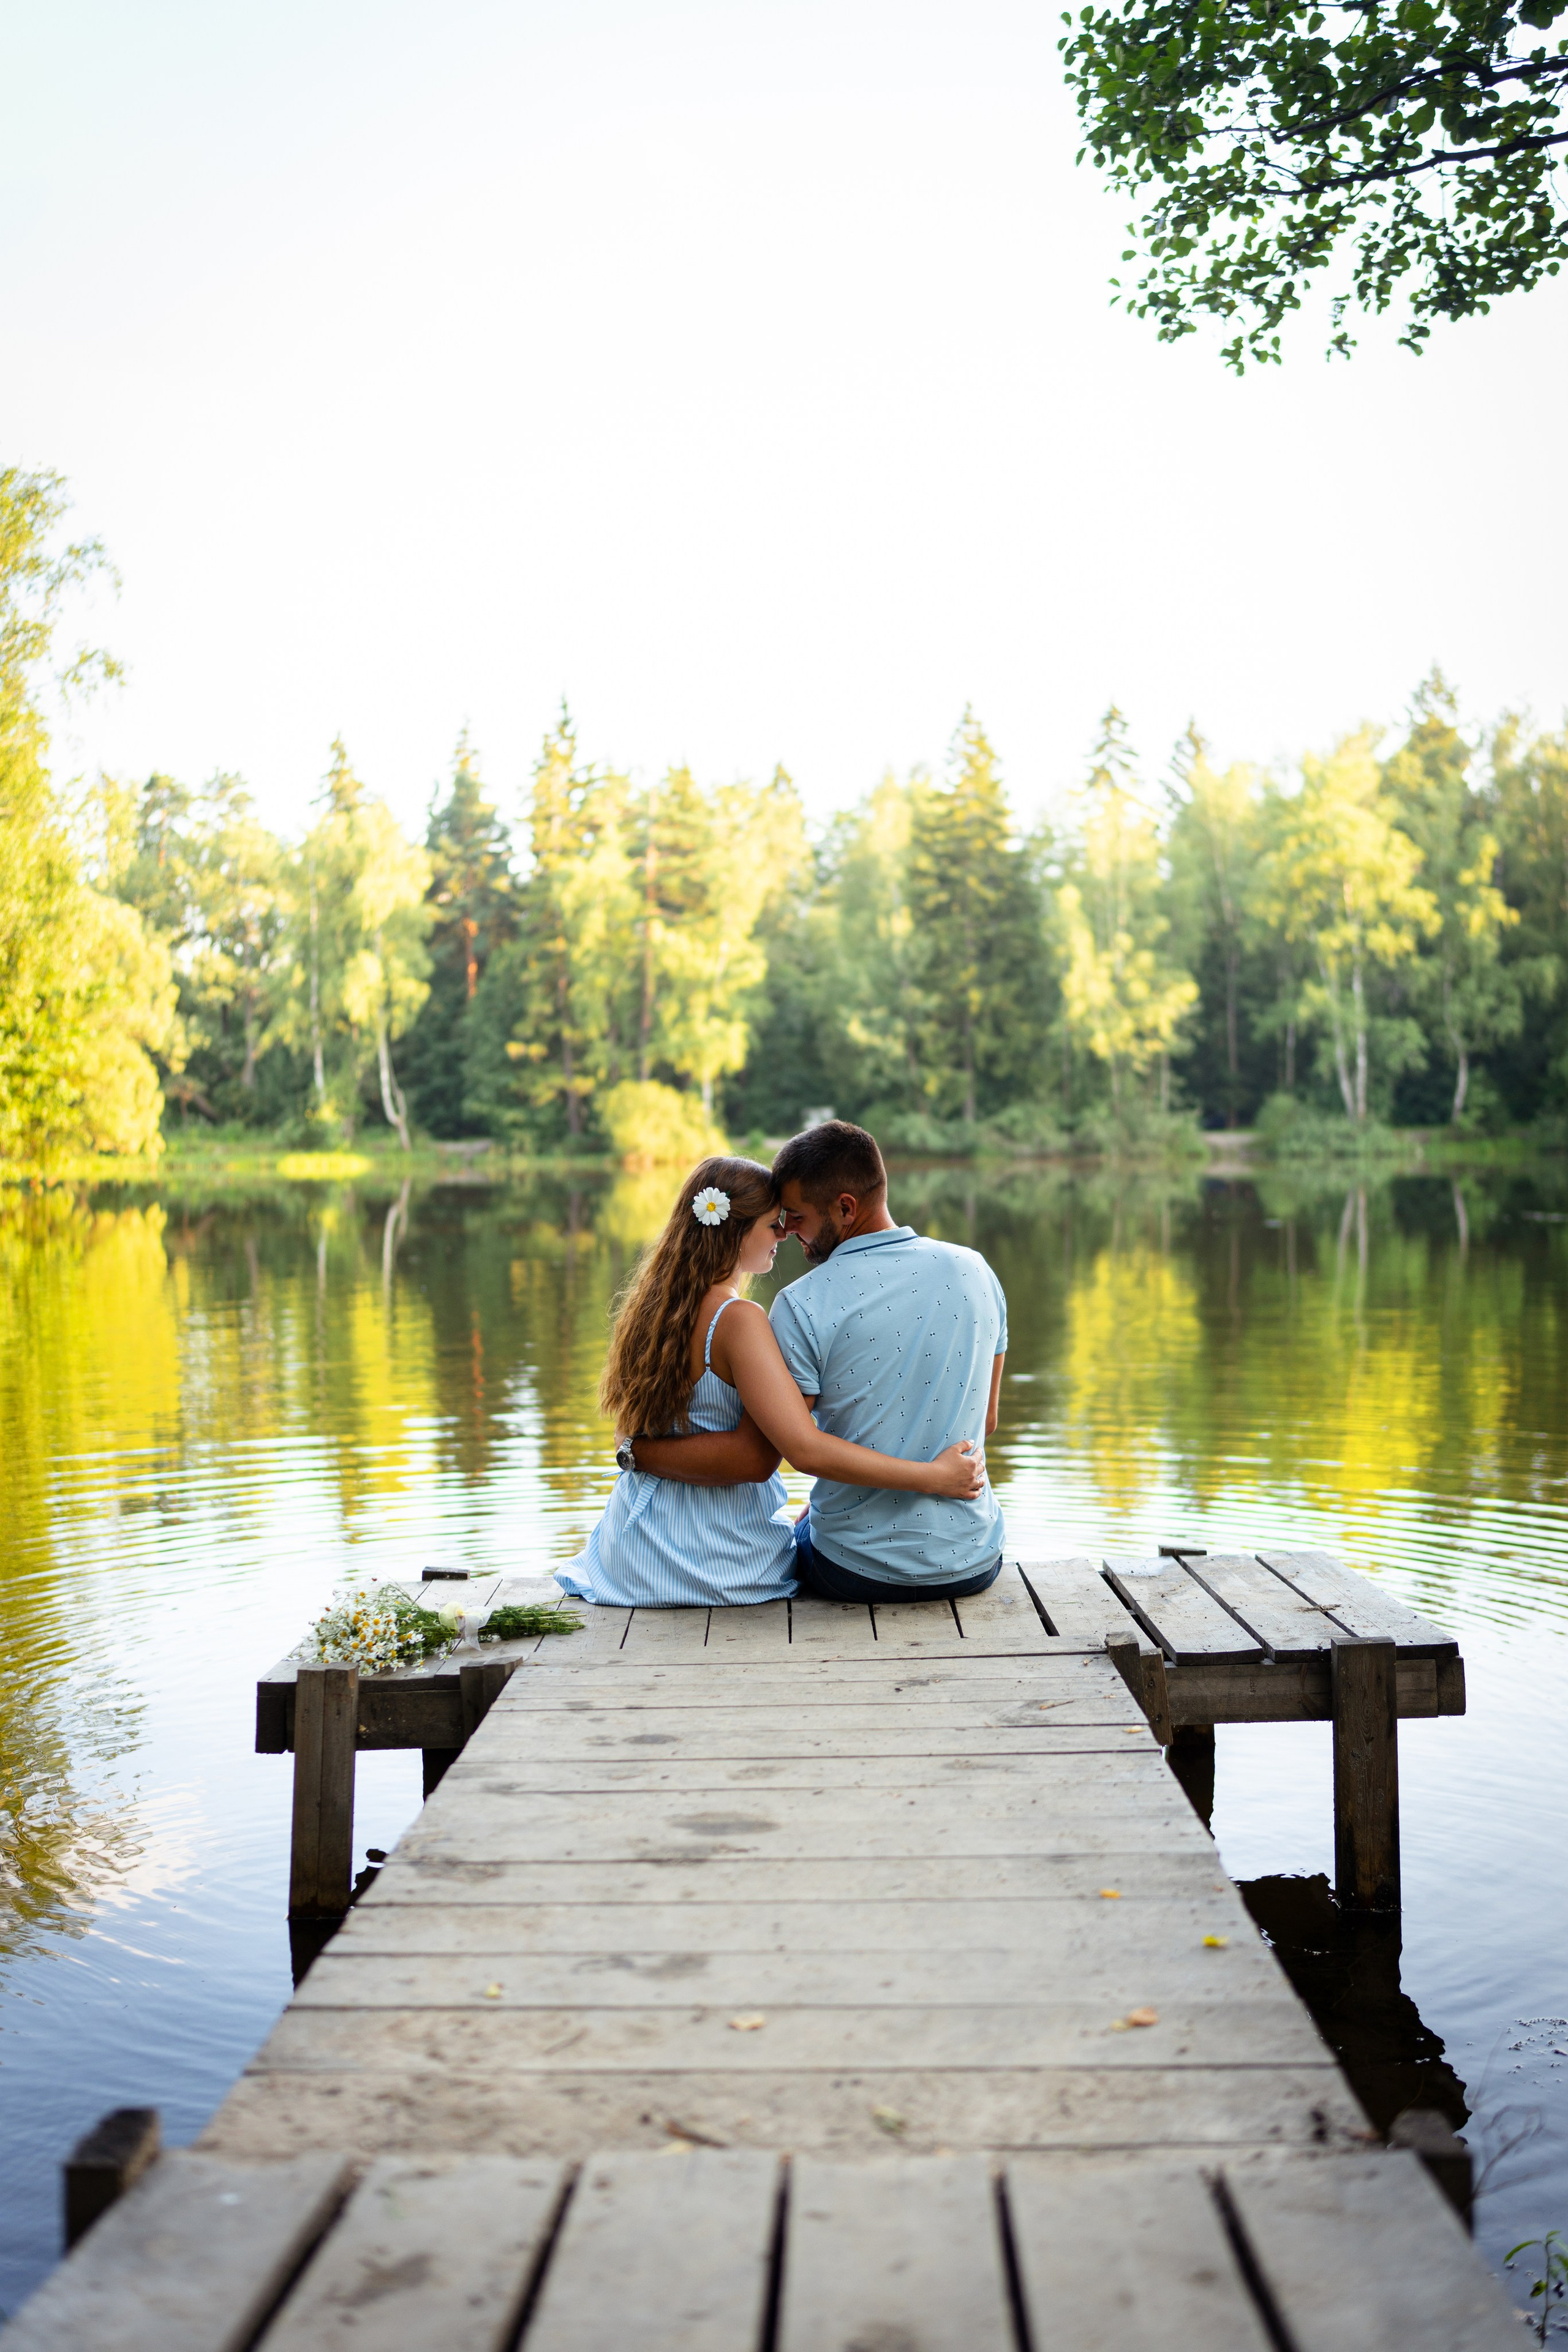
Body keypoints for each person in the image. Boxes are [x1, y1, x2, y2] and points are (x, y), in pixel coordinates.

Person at [558, 1154, 986, 1608]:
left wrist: (632, 1452)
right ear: (734, 1233)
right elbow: (757, 1460)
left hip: (634, 1550)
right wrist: (934, 1478)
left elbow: (635, 1432)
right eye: (772, 1223)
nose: (784, 1233)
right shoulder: (739, 1320)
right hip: (715, 1559)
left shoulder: (653, 1311)